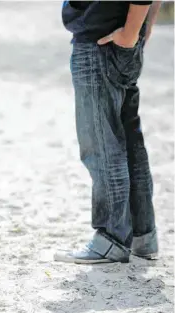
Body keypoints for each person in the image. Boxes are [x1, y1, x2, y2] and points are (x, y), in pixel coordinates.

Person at [54, 1, 162, 264]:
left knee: (101, 145)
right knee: (129, 143)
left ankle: (112, 238)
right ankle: (141, 234)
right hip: (119, 35)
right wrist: (140, 26)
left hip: (100, 41)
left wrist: (133, 30)